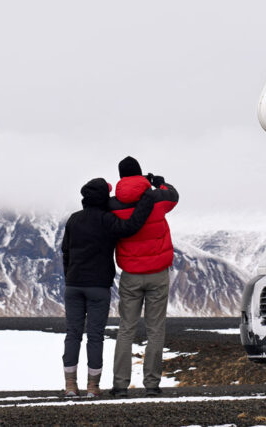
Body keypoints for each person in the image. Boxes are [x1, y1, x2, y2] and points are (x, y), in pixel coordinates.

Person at [60, 177, 154, 398]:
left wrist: (70, 276)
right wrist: (146, 201)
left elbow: (65, 251)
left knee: (72, 334)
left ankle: (70, 386)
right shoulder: (107, 220)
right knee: (95, 336)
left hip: (74, 285)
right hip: (98, 287)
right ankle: (93, 387)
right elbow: (131, 226)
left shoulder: (74, 220)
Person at [109, 156, 179, 398]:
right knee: (155, 329)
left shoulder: (114, 205)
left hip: (130, 276)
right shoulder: (157, 199)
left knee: (126, 328)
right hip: (158, 274)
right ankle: (152, 384)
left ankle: (120, 385)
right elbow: (173, 194)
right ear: (140, 174)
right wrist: (159, 182)